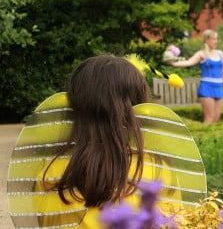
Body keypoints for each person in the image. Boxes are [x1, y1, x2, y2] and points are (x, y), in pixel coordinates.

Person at [7, 55, 207, 228]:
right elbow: (176, 222)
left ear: (73, 107)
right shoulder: (157, 170)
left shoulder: (51, 172)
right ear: (139, 109)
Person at [169, 29, 223, 124]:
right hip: (207, 88)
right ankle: (204, 138)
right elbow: (188, 62)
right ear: (207, 40)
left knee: (216, 118)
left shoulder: (220, 53)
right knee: (209, 117)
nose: (216, 41)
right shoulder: (201, 53)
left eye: (216, 39)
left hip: (219, 87)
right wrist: (174, 63)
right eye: (213, 39)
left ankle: (213, 138)